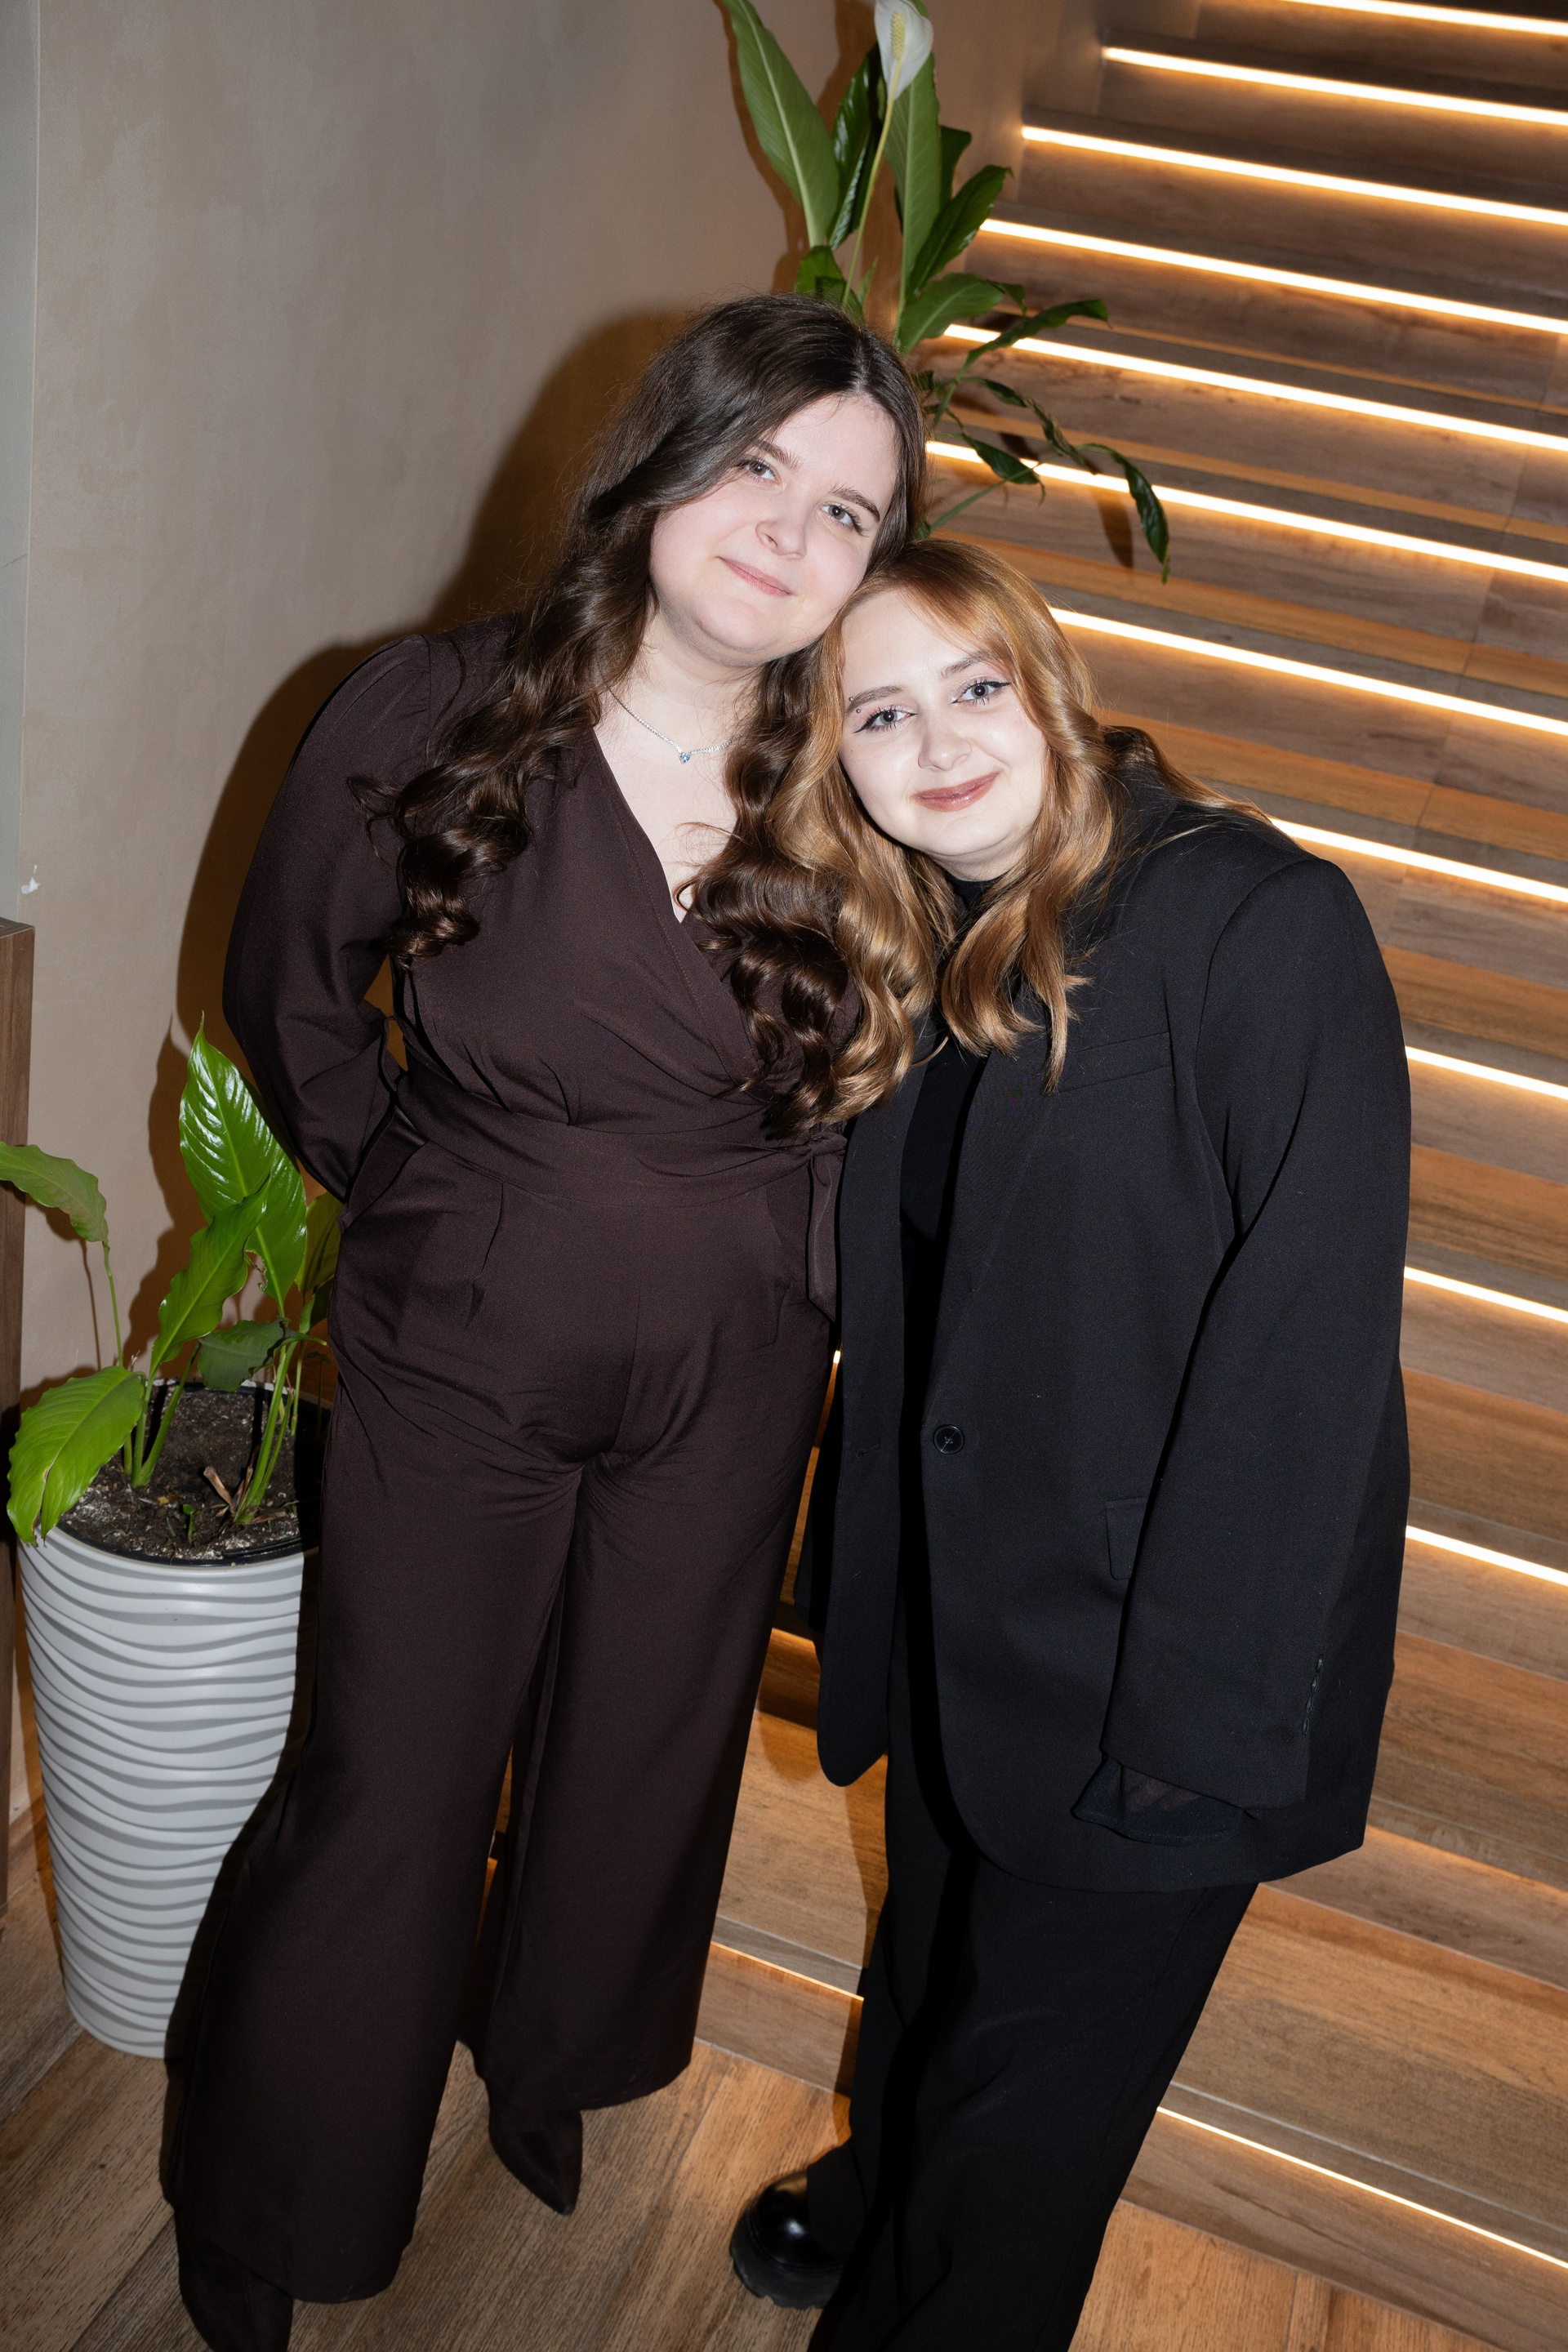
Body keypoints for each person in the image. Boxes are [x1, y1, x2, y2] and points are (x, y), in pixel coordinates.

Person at [168, 294, 926, 2352]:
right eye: (759, 465)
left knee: (645, 1754)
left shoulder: (860, 769)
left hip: (742, 1343)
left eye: (848, 512)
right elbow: (290, 989)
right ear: (663, 458)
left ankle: (546, 2053)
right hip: (470, 1324)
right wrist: (424, 1186)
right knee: (390, 1779)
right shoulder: (431, 707)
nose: (790, 533)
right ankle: (269, 2191)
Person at [725, 539, 1410, 2347]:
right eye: (881, 713)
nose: (938, 743)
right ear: (837, 759)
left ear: (1052, 691)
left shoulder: (1254, 921)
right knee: (937, 1976)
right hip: (972, 1622)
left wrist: (1193, 1734)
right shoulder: (922, 937)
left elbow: (1309, 1365)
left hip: (1153, 1671)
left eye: (976, 688)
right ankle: (885, 2189)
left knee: (1025, 2134)